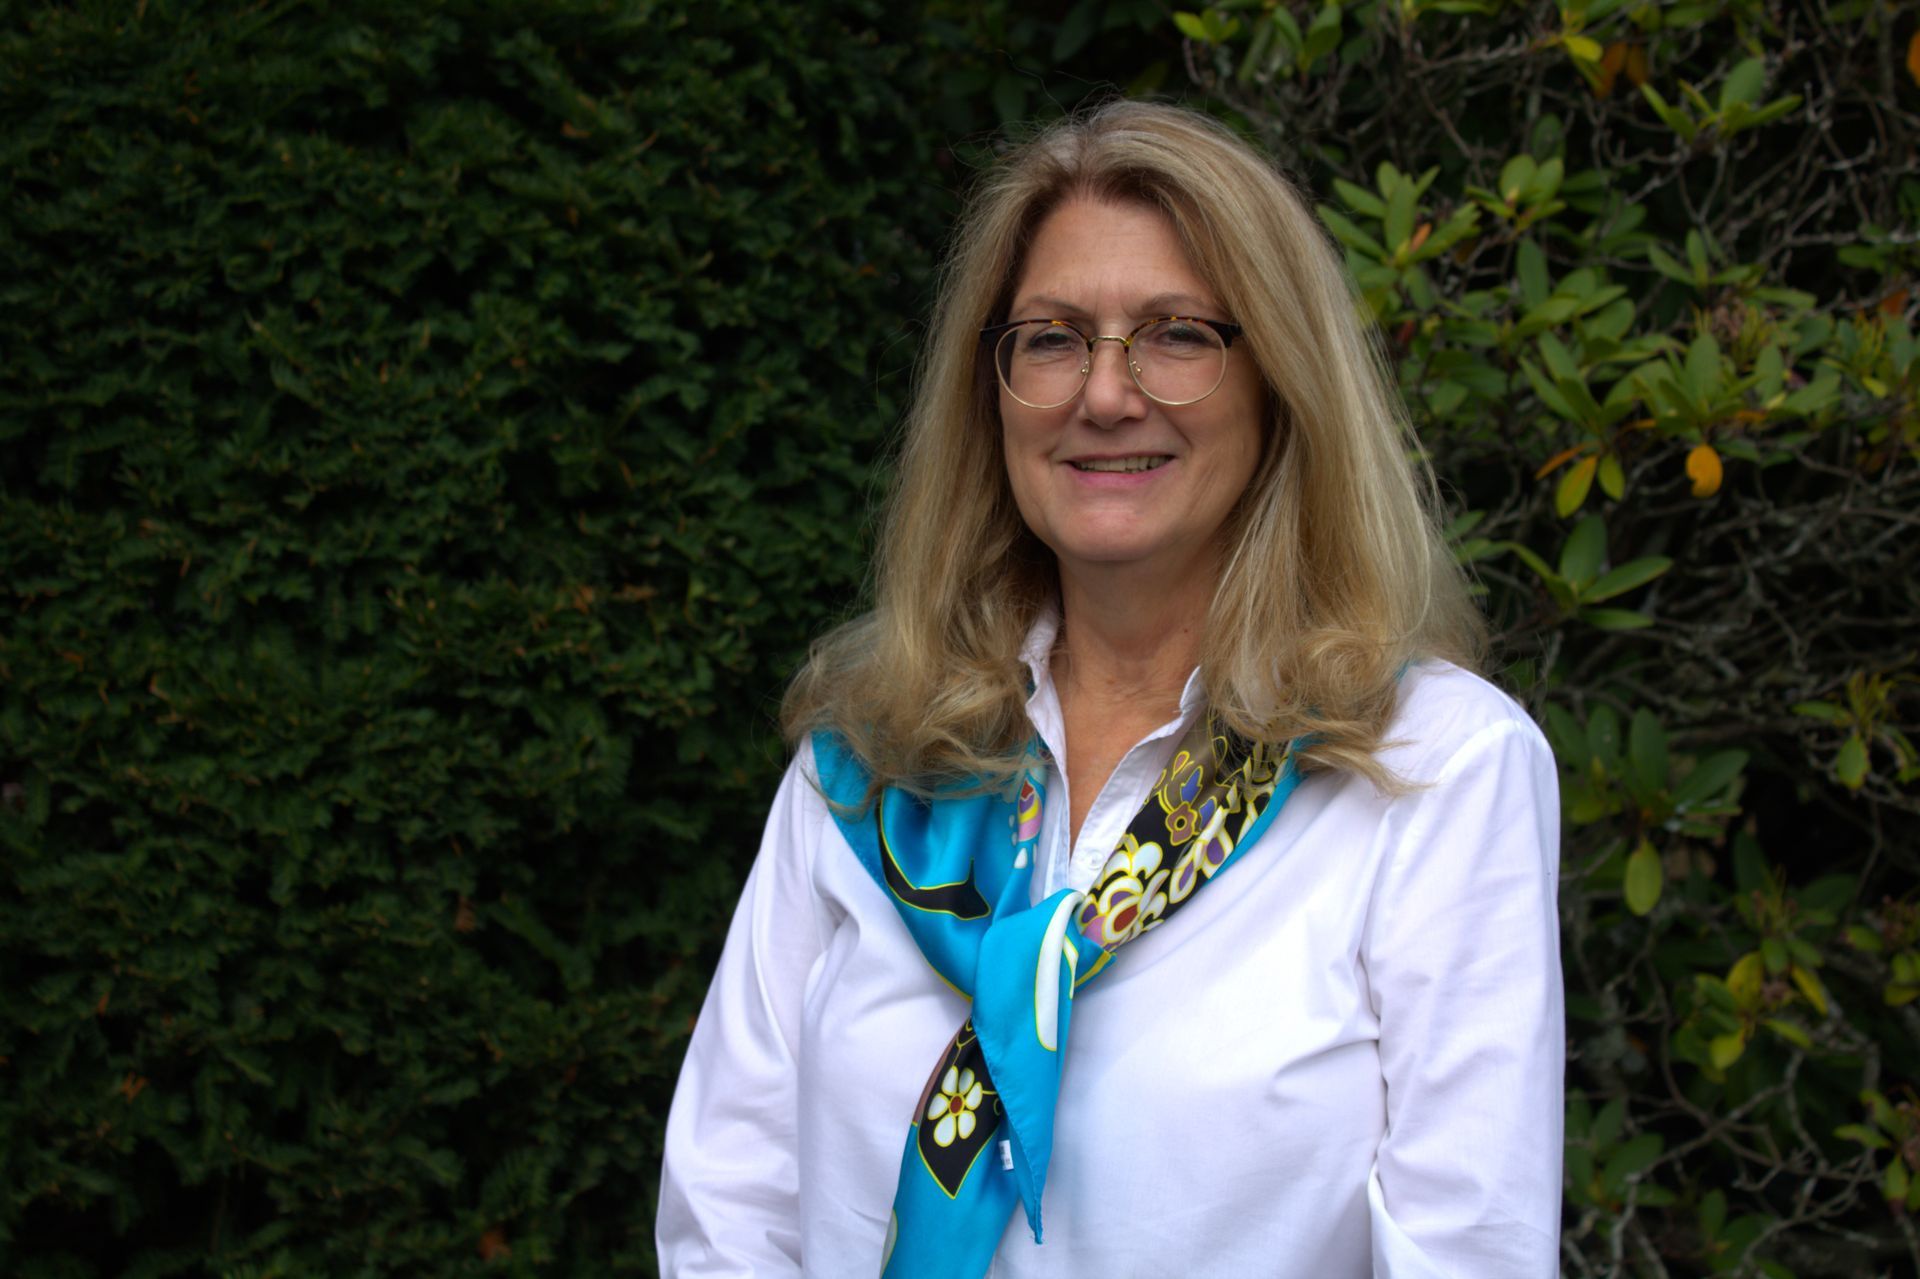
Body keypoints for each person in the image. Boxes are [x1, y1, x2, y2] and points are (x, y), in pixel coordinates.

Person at [655, 100, 1562, 1278]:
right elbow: (729, 1210)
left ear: (1280, 381)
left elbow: (1468, 1254)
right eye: (1053, 337)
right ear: (993, 390)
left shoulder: (1436, 768)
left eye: (1177, 334)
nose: (1106, 393)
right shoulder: (872, 762)